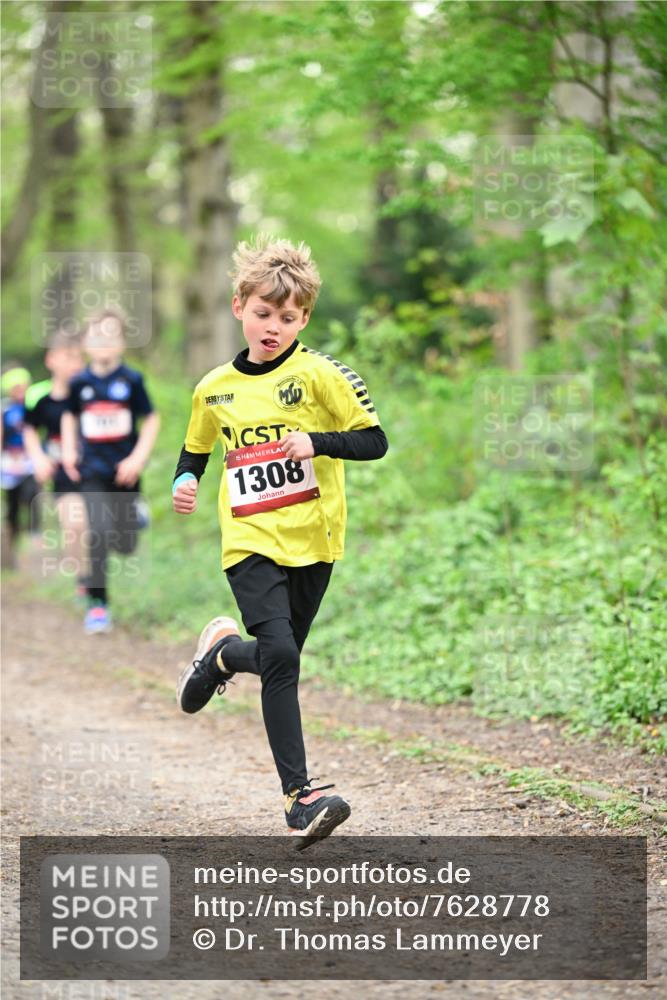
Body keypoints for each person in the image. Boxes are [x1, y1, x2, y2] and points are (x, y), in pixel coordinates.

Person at [173, 235, 388, 848]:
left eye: (287, 318)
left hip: (314, 539)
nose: (273, 326)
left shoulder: (324, 376)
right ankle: (301, 797)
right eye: (263, 313)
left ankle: (219, 656)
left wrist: (317, 442)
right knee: (285, 656)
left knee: (275, 655)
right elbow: (195, 449)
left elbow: (375, 442)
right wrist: (185, 481)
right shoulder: (213, 387)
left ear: (304, 319)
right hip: (248, 538)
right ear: (239, 305)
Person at [61, 307, 160, 634]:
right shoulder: (79, 383)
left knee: (125, 543)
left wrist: (138, 459)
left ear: (121, 343)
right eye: (96, 335)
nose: (103, 342)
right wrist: (69, 450)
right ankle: (98, 604)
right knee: (98, 531)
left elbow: (151, 420)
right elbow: (70, 417)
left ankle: (136, 512)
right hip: (93, 471)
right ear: (86, 343)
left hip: (125, 472)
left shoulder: (131, 380)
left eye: (110, 335)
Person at [23, 330, 87, 596]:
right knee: (73, 526)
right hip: (62, 474)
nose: (75, 364)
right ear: (51, 360)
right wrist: (38, 458)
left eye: (79, 358)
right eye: (68, 357)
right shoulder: (42, 400)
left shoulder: (89, 395)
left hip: (94, 470)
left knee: (97, 528)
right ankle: (84, 583)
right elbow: (29, 430)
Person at [1, 366, 39, 569]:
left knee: (33, 494)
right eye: (16, 387)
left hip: (30, 459)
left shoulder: (33, 407)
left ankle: (35, 534)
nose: (20, 390)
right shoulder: (5, 409)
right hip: (10, 461)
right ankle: (11, 543)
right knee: (13, 504)